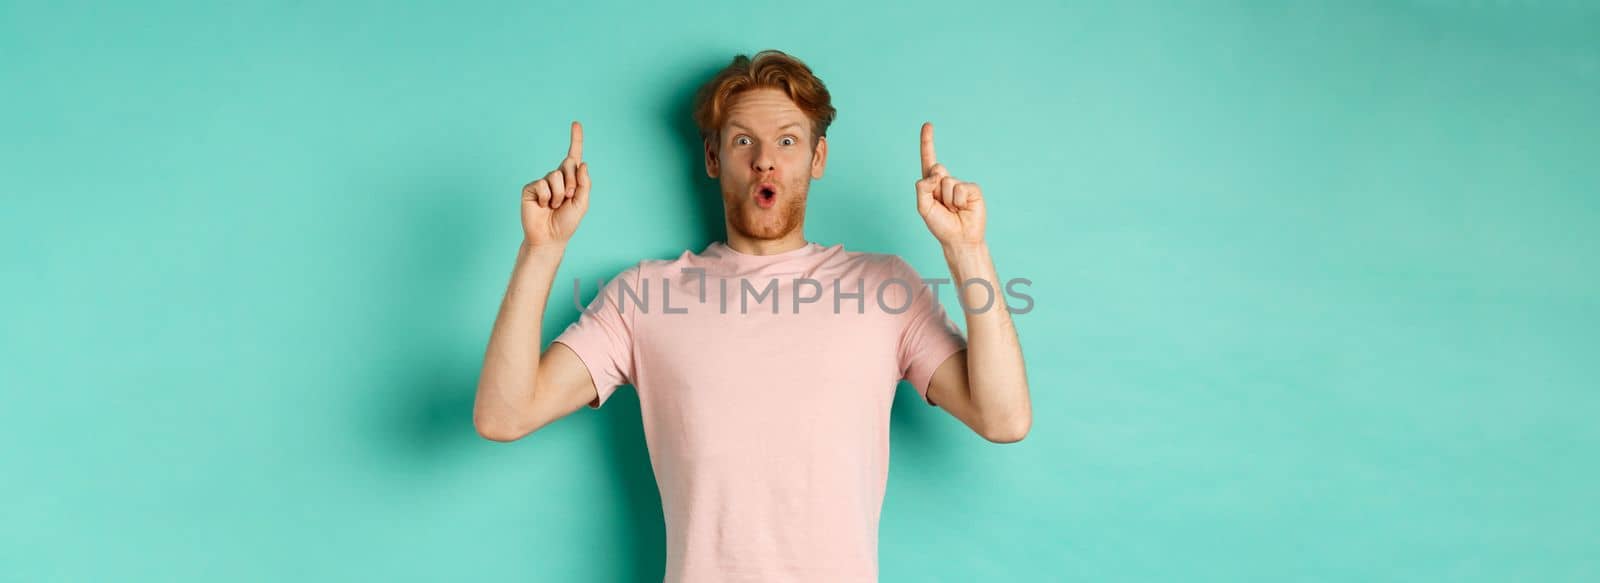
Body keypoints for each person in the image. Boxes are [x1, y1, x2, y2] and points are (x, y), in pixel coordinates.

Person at [473, 50, 1032, 582]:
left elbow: (1003, 418)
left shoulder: (886, 287)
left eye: (787, 140)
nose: (765, 158)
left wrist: (967, 249)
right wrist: (541, 249)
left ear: (817, 159)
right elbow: (505, 415)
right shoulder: (642, 296)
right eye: (744, 140)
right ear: (714, 159)